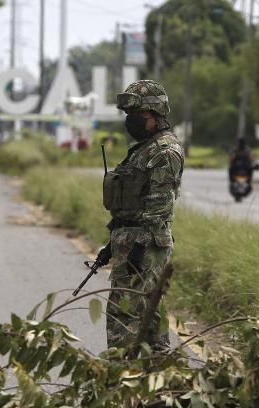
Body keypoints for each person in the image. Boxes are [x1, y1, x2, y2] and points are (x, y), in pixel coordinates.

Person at [99, 80, 184, 352]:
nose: (131, 122)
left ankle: (120, 382)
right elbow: (134, 203)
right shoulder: (146, 147)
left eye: (138, 116)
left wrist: (136, 250)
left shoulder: (164, 151)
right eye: (128, 116)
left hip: (144, 246)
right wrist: (113, 243)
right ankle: (160, 383)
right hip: (134, 241)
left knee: (123, 317)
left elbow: (159, 206)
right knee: (150, 318)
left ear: (157, 115)